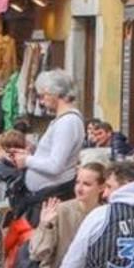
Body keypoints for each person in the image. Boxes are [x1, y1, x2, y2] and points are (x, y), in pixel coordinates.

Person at [22, 71, 86, 212]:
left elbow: (55, 165)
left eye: (43, 95)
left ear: (55, 93)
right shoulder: (64, 120)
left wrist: (26, 160)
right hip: (47, 195)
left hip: (52, 198)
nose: (41, 101)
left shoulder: (67, 122)